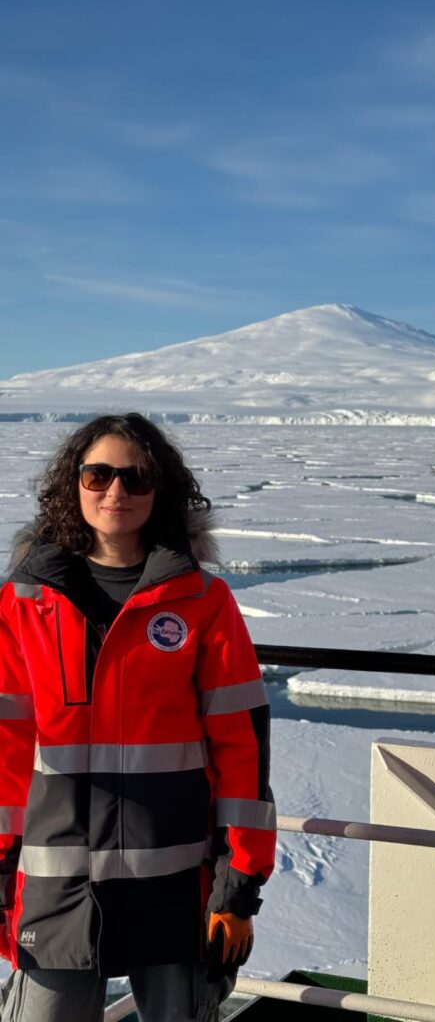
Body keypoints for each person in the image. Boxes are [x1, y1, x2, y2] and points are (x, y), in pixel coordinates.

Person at [0, 413, 276, 1022]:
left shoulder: (202, 601)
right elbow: (6, 746)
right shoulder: (26, 601)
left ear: (162, 490)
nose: (116, 492)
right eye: (98, 475)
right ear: (72, 484)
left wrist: (240, 881)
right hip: (54, 883)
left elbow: (242, 748)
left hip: (177, 881)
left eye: (137, 477)